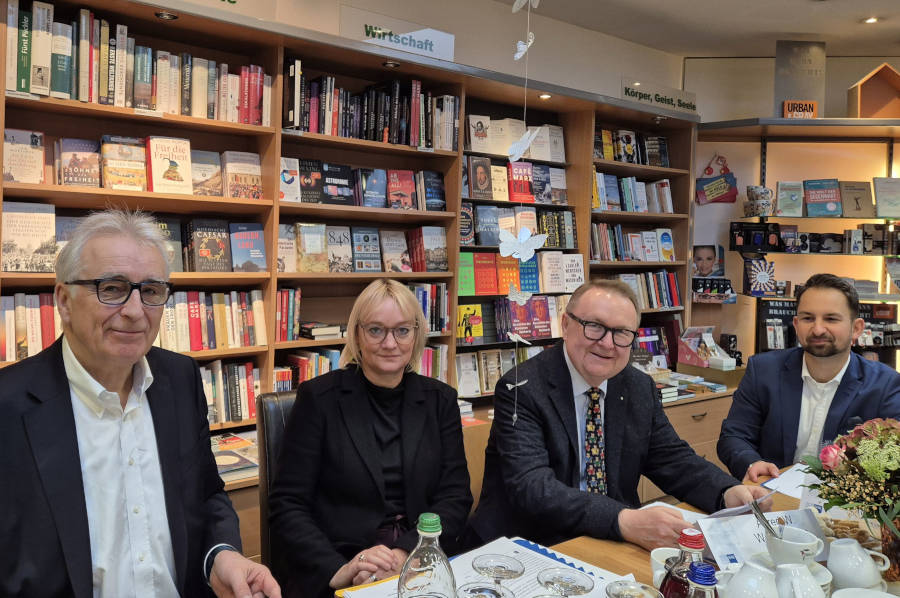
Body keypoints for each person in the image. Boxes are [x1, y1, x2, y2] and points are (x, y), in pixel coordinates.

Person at [0, 210, 280, 598]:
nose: (134, 312)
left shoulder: (180, 379)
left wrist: (221, 554)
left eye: (150, 291)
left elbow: (206, 494)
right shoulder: (9, 407)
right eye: (112, 288)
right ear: (64, 300)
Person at [467, 280, 770, 551]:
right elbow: (533, 488)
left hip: (609, 538)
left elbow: (673, 460)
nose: (608, 344)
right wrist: (625, 520)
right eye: (595, 326)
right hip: (529, 541)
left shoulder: (638, 387)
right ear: (565, 324)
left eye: (622, 333)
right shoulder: (521, 388)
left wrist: (727, 491)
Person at [269, 279, 472, 598]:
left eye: (402, 330)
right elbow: (287, 505)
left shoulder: (440, 401)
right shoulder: (318, 400)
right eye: (376, 330)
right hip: (341, 563)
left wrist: (407, 555)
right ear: (358, 335)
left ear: (416, 334)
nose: (390, 343)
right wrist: (339, 569)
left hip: (421, 562)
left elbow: (455, 497)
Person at [718, 273, 900, 481]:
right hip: (773, 495)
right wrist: (752, 463)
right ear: (796, 325)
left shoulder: (886, 385)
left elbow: (893, 457)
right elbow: (734, 436)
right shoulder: (763, 370)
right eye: (808, 318)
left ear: (856, 328)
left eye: (831, 318)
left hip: (845, 504)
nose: (818, 329)